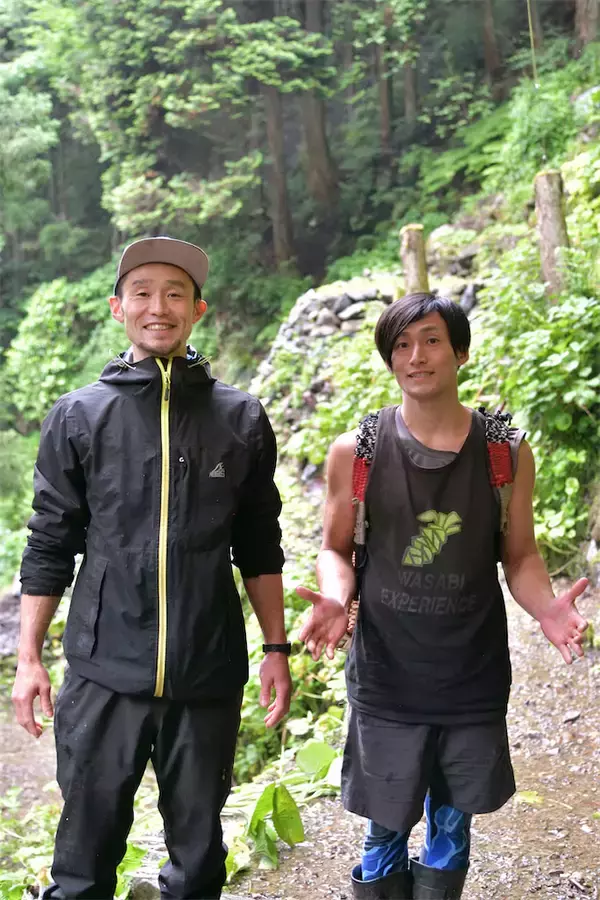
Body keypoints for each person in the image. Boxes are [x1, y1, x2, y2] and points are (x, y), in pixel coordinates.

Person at [12, 236, 292, 900]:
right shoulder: (80, 416)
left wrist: (276, 648)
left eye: (174, 294)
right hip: (102, 670)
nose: (158, 307)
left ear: (198, 310)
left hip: (207, 670)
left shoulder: (240, 418)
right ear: (119, 308)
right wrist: (28, 658)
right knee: (81, 865)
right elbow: (50, 541)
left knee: (197, 863)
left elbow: (259, 543)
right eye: (142, 293)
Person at [297, 292, 588, 899]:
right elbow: (335, 550)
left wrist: (547, 607)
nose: (416, 357)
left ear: (460, 352)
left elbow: (520, 555)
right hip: (387, 677)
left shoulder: (505, 451)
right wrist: (335, 599)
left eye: (431, 341)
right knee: (384, 826)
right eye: (401, 345)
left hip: (470, 676)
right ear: (389, 359)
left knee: (452, 828)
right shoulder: (358, 450)